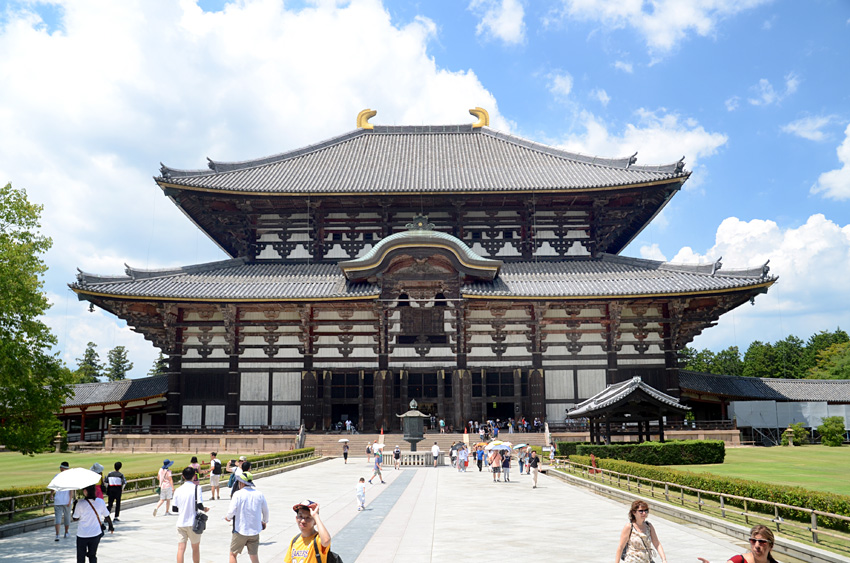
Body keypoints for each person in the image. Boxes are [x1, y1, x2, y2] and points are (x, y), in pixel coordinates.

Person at [225, 472, 269, 563]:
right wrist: (264, 521)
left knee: (233, 553)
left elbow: (231, 511)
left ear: (242, 483)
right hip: (255, 530)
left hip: (240, 529)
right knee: (253, 555)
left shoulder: (237, 494)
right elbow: (265, 510)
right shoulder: (259, 494)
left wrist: (228, 517)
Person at [173, 466, 210, 563]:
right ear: (194, 476)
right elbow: (199, 505)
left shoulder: (178, 490)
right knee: (195, 548)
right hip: (193, 523)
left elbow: (174, 508)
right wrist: (205, 509)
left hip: (181, 522)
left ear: (183, 476)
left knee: (181, 549)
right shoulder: (197, 488)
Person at [72, 483, 113, 563]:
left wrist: (74, 506)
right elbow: (107, 515)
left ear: (85, 491)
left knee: (81, 556)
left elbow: (75, 518)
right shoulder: (100, 502)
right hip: (95, 533)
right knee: (92, 555)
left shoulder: (80, 503)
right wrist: (111, 526)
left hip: (82, 534)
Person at [697, 525, 780, 563]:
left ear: (771, 546)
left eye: (762, 542)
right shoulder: (738, 561)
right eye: (753, 541)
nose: (757, 545)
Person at [52, 461, 72, 541]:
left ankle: (57, 535)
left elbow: (53, 487)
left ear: (61, 468)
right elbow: (71, 490)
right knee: (67, 517)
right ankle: (66, 532)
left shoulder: (57, 476)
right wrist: (70, 500)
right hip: (67, 500)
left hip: (58, 500)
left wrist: (51, 494)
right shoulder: (71, 477)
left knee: (58, 518)